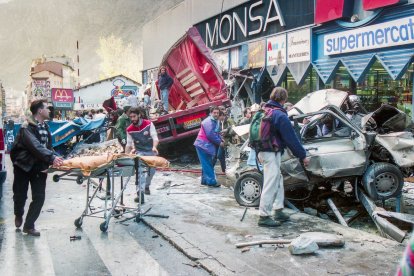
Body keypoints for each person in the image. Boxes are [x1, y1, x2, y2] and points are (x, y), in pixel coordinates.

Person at [257, 87, 310, 228]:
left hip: (263, 151)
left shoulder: (264, 110)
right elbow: (291, 139)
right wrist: (303, 155)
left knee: (278, 179)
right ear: (284, 99)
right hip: (271, 153)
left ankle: (278, 209)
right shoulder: (280, 115)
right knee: (270, 182)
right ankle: (264, 216)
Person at [10, 99, 64, 236]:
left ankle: (28, 226)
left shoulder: (45, 127)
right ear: (40, 110)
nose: (50, 110)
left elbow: (48, 147)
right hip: (23, 165)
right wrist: (51, 157)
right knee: (20, 195)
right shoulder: (26, 126)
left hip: (39, 166)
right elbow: (35, 146)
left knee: (39, 197)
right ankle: (18, 213)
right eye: (47, 108)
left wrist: (58, 158)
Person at [125, 107, 159, 202]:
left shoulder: (148, 124)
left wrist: (154, 147)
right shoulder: (129, 129)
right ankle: (140, 193)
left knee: (151, 171)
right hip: (140, 152)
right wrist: (126, 155)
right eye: (130, 117)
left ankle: (147, 186)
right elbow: (128, 144)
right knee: (140, 173)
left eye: (134, 116)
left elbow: (155, 137)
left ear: (139, 115)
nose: (132, 119)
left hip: (150, 150)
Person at [194, 106, 223, 187]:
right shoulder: (208, 121)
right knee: (207, 164)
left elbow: (215, 133)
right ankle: (212, 181)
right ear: (211, 113)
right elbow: (210, 134)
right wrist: (220, 142)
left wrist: (220, 139)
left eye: (217, 113)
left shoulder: (214, 121)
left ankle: (204, 180)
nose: (216, 114)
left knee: (206, 163)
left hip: (204, 145)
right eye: (214, 113)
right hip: (202, 145)